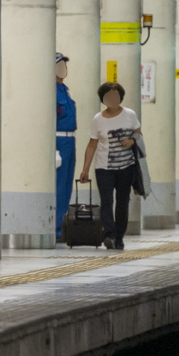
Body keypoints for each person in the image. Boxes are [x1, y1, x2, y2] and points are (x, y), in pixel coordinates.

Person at [79, 81, 141, 250]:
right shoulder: (98, 119)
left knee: (122, 202)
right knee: (106, 201)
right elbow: (92, 144)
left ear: (120, 97)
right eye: (108, 96)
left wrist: (131, 140)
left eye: (116, 95)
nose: (113, 99)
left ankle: (119, 236)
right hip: (103, 167)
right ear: (103, 99)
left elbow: (138, 134)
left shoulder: (130, 114)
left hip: (126, 167)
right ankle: (109, 234)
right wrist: (85, 169)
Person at [54, 53, 77, 241]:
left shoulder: (64, 89)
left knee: (67, 185)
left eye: (64, 65)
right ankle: (55, 229)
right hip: (58, 141)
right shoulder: (50, 90)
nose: (63, 68)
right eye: (60, 65)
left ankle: (62, 226)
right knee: (59, 185)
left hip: (70, 141)